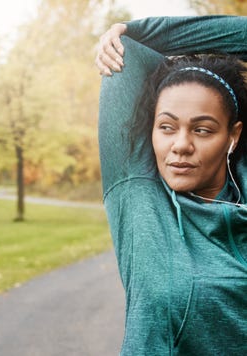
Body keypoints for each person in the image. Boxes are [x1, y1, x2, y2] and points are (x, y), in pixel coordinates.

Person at [96, 16, 247, 355]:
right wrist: (133, 31)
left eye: (203, 130)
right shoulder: (137, 193)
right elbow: (130, 55)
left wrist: (148, 33)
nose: (181, 145)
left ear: (232, 136)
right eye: (166, 127)